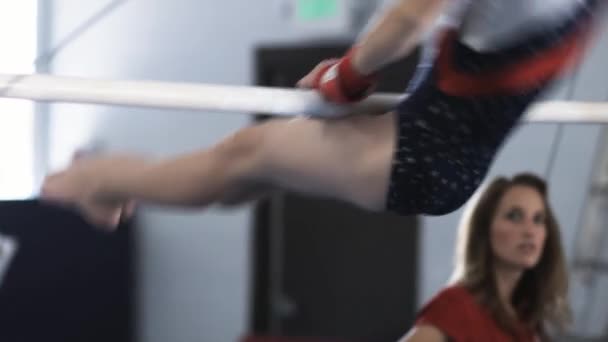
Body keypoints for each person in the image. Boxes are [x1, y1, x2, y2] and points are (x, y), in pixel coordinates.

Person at [40, 0, 605, 229]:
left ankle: (92, 181)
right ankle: (119, 187)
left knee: (248, 152)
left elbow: (409, 19)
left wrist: (347, 76)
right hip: (443, 152)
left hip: (417, 157)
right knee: (256, 170)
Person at [400, 173, 570, 342]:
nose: (530, 231)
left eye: (538, 219)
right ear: (483, 229)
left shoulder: (525, 321)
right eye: (515, 216)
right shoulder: (456, 306)